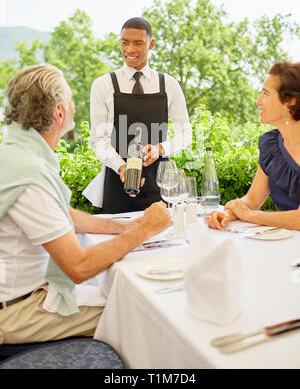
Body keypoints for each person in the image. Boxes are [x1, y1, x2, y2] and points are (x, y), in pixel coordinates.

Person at [0, 63, 172, 346]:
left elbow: (61, 213)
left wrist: (128, 225)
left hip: (23, 295)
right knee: (144, 310)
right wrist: (143, 232)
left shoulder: (16, 154)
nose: (72, 105)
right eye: (68, 99)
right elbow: (78, 267)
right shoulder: (28, 171)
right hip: (20, 308)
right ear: (59, 112)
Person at [83, 17, 192, 213]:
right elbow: (98, 140)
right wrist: (121, 167)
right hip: (117, 182)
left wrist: (160, 148)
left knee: (162, 242)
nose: (130, 50)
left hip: (160, 185)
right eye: (125, 42)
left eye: (137, 43)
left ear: (151, 44)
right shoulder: (102, 85)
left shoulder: (169, 85)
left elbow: (185, 135)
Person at [207, 61, 300, 231]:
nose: (258, 101)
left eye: (266, 93)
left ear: (290, 101)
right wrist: (228, 213)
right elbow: (251, 200)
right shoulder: (271, 145)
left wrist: (248, 215)